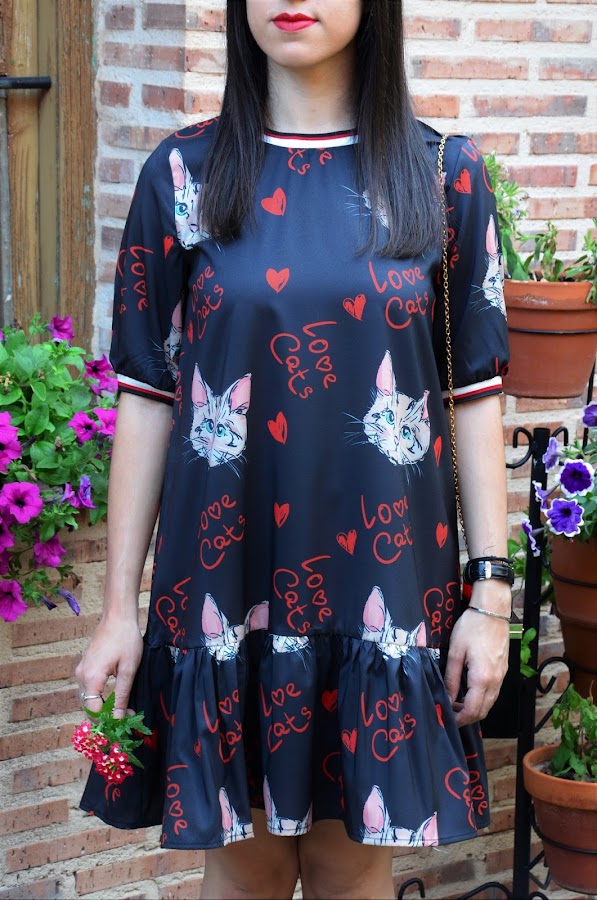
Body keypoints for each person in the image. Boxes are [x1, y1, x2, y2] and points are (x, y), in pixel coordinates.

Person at [76, 1, 513, 897]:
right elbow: (147, 397)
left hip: (383, 590)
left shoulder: (444, 176)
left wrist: (492, 595)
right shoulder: (183, 174)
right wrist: (118, 609)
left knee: (352, 870)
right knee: (244, 872)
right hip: (223, 588)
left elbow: (473, 396)